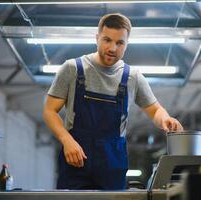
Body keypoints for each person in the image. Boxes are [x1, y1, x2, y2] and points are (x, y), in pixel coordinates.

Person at [43, 13, 184, 190]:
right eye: (107, 40)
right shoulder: (72, 69)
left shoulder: (133, 77)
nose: (112, 48)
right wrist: (66, 140)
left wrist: (166, 118)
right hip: (76, 162)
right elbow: (49, 110)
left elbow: (155, 110)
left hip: (112, 167)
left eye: (120, 43)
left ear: (127, 44)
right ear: (97, 38)